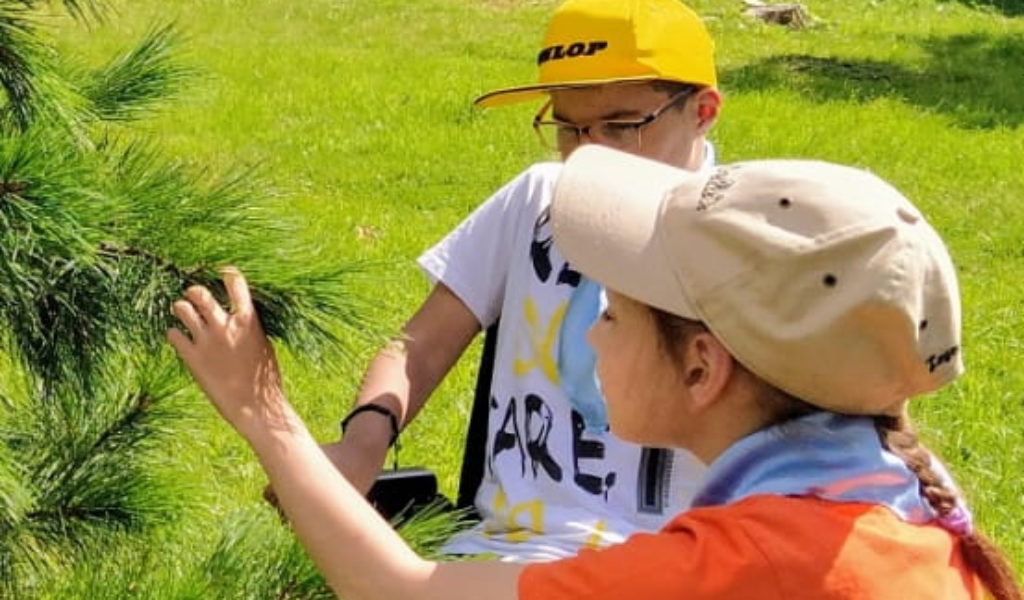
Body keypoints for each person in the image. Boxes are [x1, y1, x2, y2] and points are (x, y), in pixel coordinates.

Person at [168, 145, 1022, 599]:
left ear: (702, 367)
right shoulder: (898, 508)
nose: (593, 340)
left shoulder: (740, 569)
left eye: (611, 314)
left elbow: (398, 592)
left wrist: (263, 410)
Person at [283, 0, 724, 560]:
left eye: (621, 127)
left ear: (703, 111)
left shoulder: (739, 237)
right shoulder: (536, 200)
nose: (590, 154)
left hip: (664, 563)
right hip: (501, 552)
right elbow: (420, 345)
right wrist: (361, 443)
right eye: (567, 129)